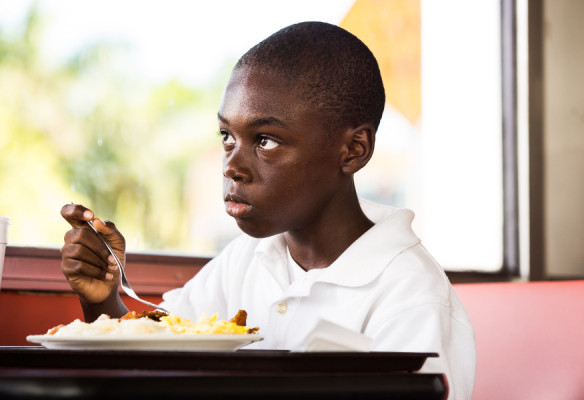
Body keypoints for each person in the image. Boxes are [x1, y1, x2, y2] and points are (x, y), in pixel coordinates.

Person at [60, 21, 475, 399]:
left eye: (265, 141)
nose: (231, 166)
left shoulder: (411, 298)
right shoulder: (247, 259)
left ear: (353, 150)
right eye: (227, 136)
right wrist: (104, 301)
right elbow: (159, 355)